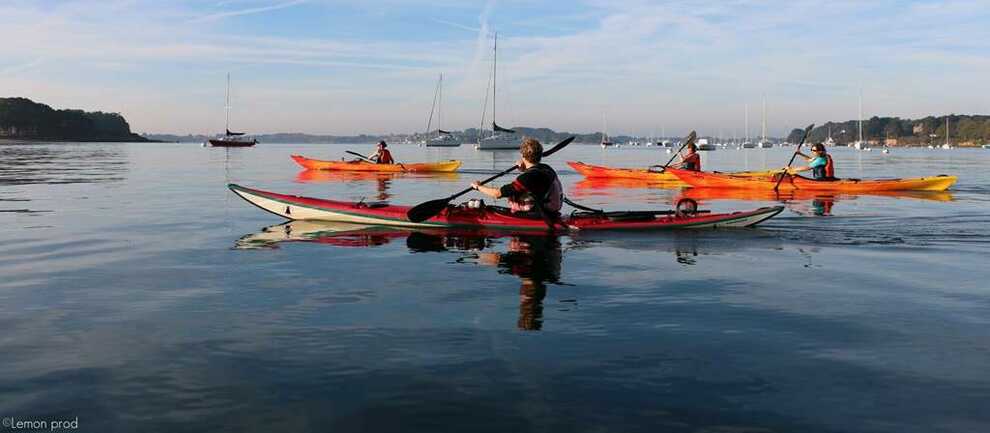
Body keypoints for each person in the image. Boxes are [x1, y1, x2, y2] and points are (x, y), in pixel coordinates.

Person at [470, 137, 563, 217]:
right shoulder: (546, 168)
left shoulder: (528, 177)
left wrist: (479, 187)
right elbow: (536, 181)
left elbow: (497, 194)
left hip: (538, 214)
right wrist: (525, 169)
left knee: (513, 195)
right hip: (551, 211)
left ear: (522, 155)